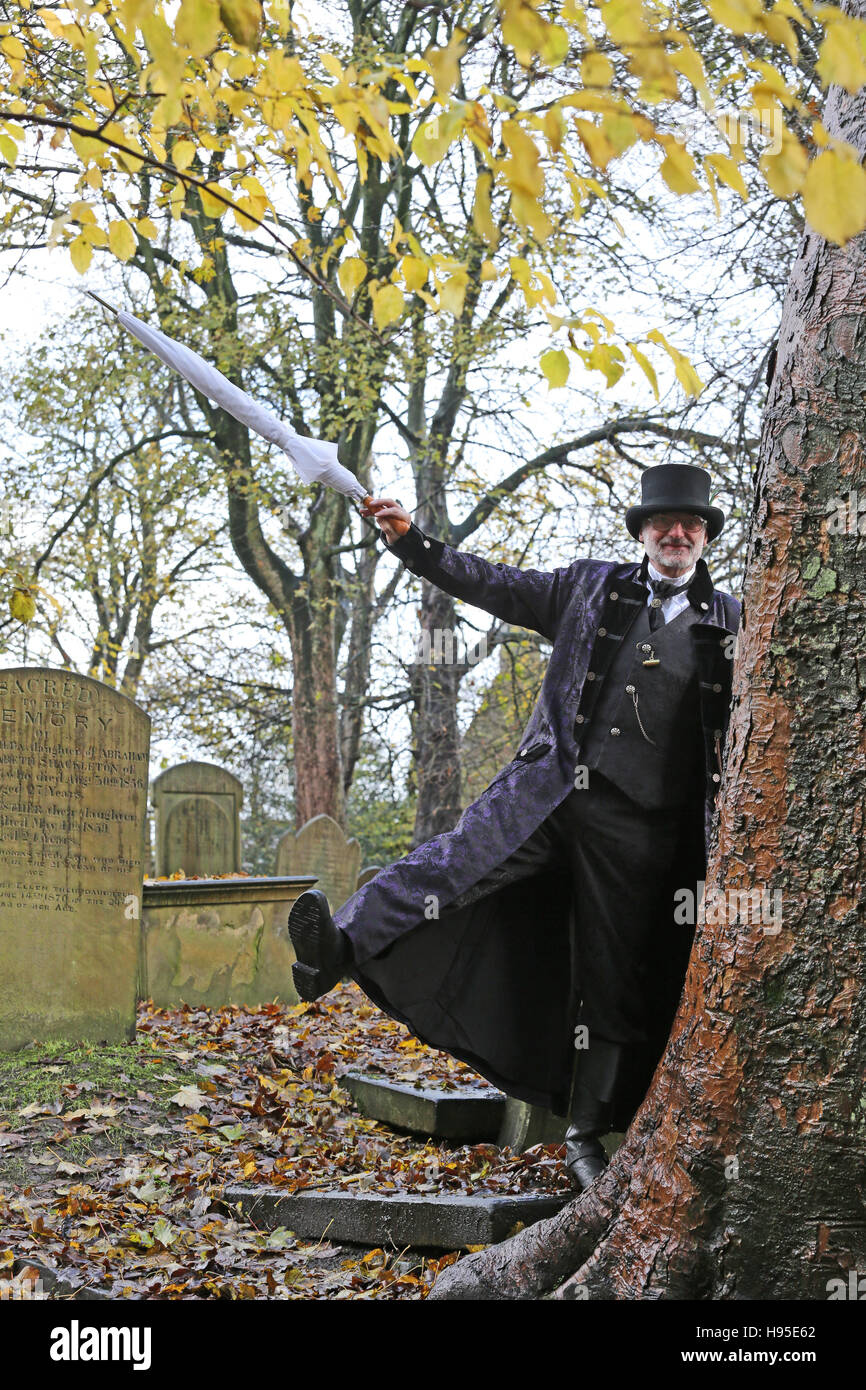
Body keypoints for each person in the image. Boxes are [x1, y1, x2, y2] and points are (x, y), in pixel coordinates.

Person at [288, 463, 741, 1190]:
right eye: (663, 523)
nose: (676, 533)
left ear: (707, 535)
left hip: (646, 832)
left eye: (690, 524)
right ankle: (336, 947)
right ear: (643, 533)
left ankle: (590, 1134)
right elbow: (492, 584)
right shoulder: (587, 587)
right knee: (453, 862)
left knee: (619, 980)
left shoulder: (735, 621)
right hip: (549, 792)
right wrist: (414, 544)